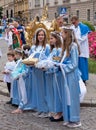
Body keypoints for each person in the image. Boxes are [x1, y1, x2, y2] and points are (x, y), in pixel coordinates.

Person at [70, 16, 90, 85]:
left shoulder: (84, 27)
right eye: (72, 22)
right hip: (75, 48)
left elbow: (83, 38)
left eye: (74, 22)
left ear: (77, 21)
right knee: (76, 63)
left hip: (82, 49)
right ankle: (77, 78)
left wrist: (76, 41)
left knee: (82, 65)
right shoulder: (72, 27)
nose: (73, 23)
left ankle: (84, 79)